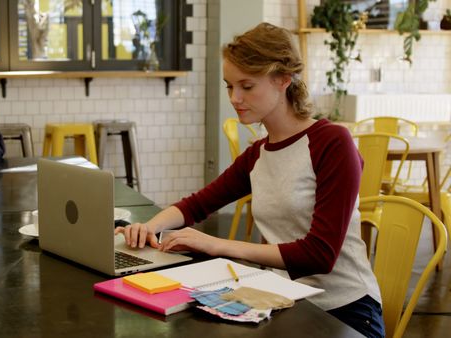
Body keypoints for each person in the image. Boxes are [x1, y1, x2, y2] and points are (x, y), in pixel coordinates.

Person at [116, 23, 384, 337]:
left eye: (246, 86)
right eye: (229, 86)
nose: (234, 97)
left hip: (345, 313)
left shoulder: (332, 143)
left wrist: (216, 245)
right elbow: (198, 204)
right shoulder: (259, 153)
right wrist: (150, 228)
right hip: (284, 300)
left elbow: (319, 255)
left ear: (283, 80)